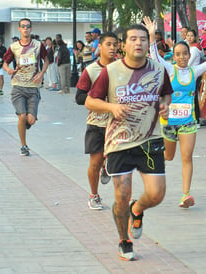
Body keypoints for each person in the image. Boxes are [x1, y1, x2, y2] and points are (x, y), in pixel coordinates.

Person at [84, 23, 173, 261]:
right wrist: (112, 106)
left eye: (143, 39)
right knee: (121, 194)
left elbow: (166, 93)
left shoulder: (158, 69)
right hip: (119, 142)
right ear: (124, 45)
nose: (139, 43)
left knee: (156, 194)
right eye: (133, 39)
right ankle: (124, 240)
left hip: (150, 139)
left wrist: (165, 105)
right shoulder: (111, 71)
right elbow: (90, 101)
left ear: (148, 43)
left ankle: (138, 209)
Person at [144, 16, 206, 208]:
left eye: (185, 54)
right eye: (178, 54)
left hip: (188, 122)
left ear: (189, 55)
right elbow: (155, 56)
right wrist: (151, 34)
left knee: (186, 157)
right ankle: (145, 157)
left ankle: (186, 195)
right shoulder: (169, 70)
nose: (182, 57)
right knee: (168, 157)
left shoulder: (194, 71)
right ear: (174, 55)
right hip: (169, 123)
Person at [76, 32, 118, 210]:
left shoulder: (122, 68)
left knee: (119, 164)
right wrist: (98, 98)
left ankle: (121, 197)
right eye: (108, 44)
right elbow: (79, 97)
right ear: (99, 47)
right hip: (97, 124)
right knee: (94, 161)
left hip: (117, 124)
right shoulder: (91, 70)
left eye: (115, 44)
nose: (112, 48)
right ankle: (94, 195)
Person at [3, 18, 49, 156]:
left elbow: (46, 60)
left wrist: (41, 74)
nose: (25, 29)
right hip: (18, 86)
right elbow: (5, 63)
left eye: (28, 26)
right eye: (23, 26)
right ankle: (24, 146)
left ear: (31, 28)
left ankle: (26, 122)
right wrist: (8, 70)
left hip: (33, 87)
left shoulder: (38, 45)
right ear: (19, 29)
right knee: (22, 116)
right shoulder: (14, 47)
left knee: (31, 120)